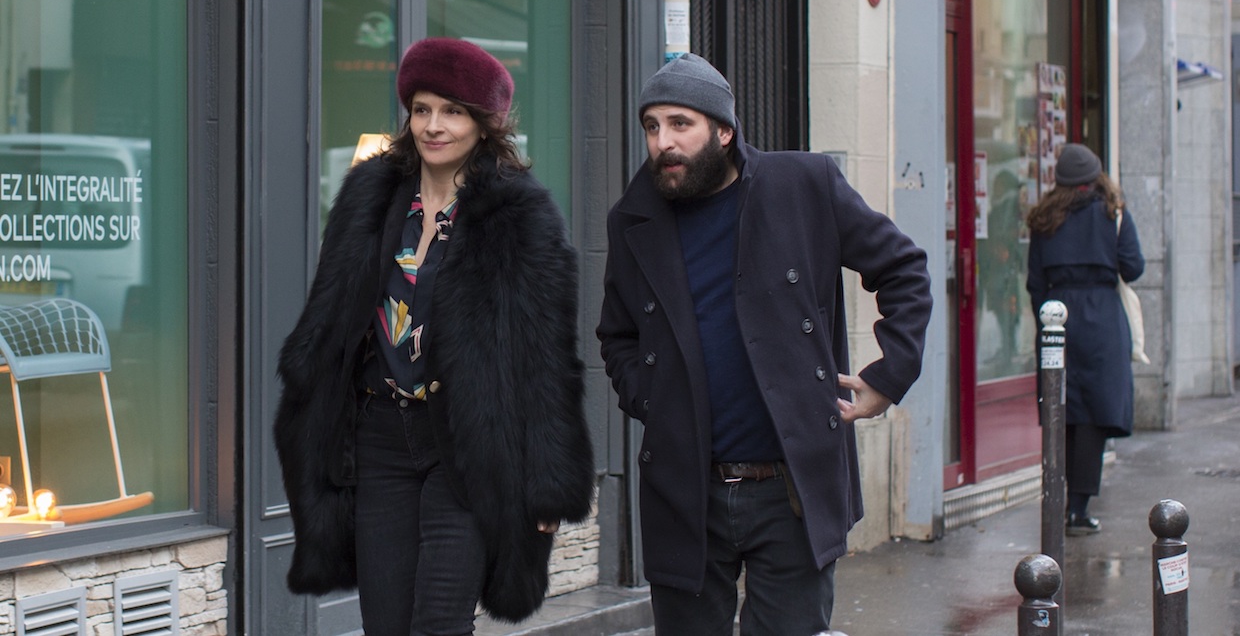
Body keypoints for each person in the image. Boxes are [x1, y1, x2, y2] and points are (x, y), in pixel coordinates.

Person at [596, 53, 932, 634]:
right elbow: (617, 336)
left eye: (680, 124)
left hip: (791, 486)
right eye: (652, 127)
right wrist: (652, 400)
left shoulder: (801, 185)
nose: (662, 142)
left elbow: (903, 268)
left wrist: (889, 375)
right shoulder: (633, 219)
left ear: (723, 131)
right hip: (686, 487)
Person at [274, 37, 595, 635]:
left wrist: (550, 482)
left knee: (440, 623)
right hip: (379, 439)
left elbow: (548, 359)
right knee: (386, 625)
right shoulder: (370, 198)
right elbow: (333, 314)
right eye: (422, 109)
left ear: (484, 123)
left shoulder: (522, 217)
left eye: (452, 111)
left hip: (467, 442)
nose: (433, 126)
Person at [1026, 143, 1144, 536]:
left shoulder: (1044, 219)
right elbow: (1134, 266)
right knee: (1094, 411)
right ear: (1096, 178)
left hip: (1056, 315)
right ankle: (1078, 507)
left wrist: (1047, 319)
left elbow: (1034, 282)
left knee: (1061, 407)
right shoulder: (1113, 214)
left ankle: (1056, 500)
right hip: (1103, 320)